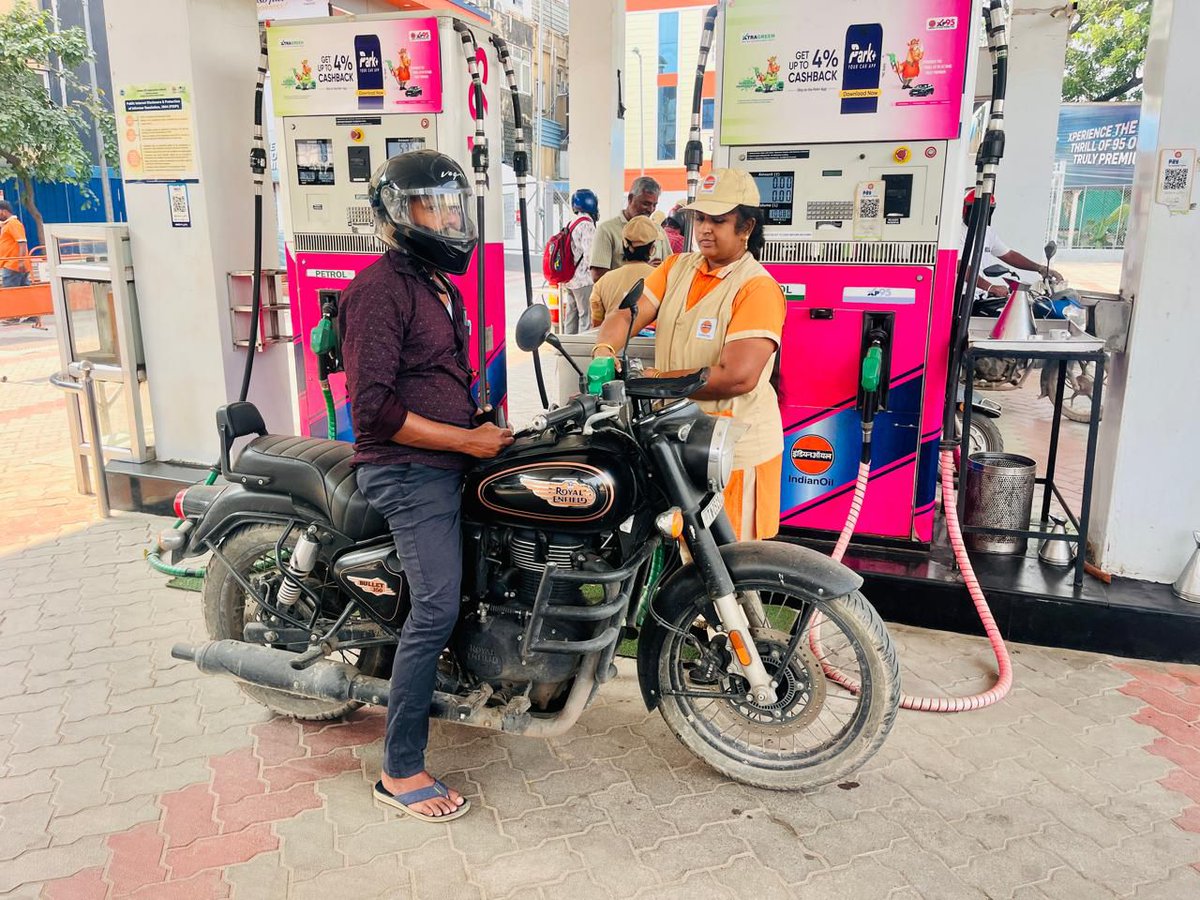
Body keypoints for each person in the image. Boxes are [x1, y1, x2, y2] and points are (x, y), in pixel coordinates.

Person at [339, 150, 514, 822]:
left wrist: (479, 420)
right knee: (436, 608)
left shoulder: (439, 285)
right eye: (430, 205)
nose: (445, 217)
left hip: (447, 457)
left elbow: (442, 377)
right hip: (404, 468)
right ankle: (400, 768)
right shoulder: (380, 290)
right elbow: (375, 411)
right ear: (395, 213)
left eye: (451, 205)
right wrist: (466, 440)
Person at [592, 169, 786, 540]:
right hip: (680, 441)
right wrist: (604, 350)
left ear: (746, 226)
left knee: (729, 569)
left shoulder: (757, 288)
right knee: (685, 562)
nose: (704, 229)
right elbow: (626, 313)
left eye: (718, 220)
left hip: (732, 450)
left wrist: (648, 382)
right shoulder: (676, 267)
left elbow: (737, 376)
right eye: (700, 218)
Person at [962, 189, 1062, 301]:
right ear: (967, 210)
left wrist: (1040, 268)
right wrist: (991, 287)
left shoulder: (987, 232)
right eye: (977, 211)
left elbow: (1009, 255)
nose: (981, 215)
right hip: (960, 297)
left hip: (980, 295)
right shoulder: (956, 233)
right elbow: (961, 267)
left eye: (985, 211)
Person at [589, 176, 672, 283]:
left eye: (654, 205)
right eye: (645, 203)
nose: (650, 210)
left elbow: (671, 266)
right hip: (622, 298)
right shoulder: (606, 230)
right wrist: (642, 271)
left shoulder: (658, 230)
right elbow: (598, 277)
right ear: (630, 198)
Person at [589, 215, 658, 328]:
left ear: (624, 246)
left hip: (613, 343)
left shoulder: (603, 282)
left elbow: (597, 326)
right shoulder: (662, 279)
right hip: (651, 345)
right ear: (651, 249)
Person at [559, 188, 599, 334]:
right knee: (585, 317)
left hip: (570, 279)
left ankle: (567, 349)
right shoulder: (587, 225)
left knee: (570, 316)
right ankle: (582, 351)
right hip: (583, 281)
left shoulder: (572, 223)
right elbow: (590, 255)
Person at [0, 201, 31, 288]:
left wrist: (20, 261)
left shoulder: (13, 224)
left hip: (13, 265)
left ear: (4, 211)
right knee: (23, 295)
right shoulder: (8, 224)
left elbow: (22, 242)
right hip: (13, 265)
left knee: (11, 295)